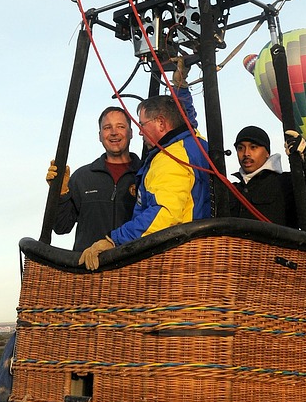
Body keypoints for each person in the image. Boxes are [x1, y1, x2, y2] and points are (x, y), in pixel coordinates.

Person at [79, 92, 212, 270]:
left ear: (161, 123)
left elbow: (164, 214)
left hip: (178, 260)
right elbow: (186, 119)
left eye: (142, 124)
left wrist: (114, 240)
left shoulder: (170, 159)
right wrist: (181, 85)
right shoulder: (195, 143)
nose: (141, 131)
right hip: (202, 252)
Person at [51, 106, 141, 255]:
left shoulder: (145, 175)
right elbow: (61, 227)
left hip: (135, 269)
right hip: (90, 270)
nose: (113, 132)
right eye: (107, 127)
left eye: (120, 126)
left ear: (131, 133)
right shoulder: (82, 177)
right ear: (100, 135)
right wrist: (60, 193)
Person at [228, 126, 306, 227]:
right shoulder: (229, 190)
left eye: (253, 147)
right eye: (240, 148)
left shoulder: (286, 182)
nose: (246, 153)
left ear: (267, 152)